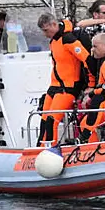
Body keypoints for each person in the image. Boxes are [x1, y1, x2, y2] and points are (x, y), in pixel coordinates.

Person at [37, 14, 92, 144]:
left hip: (68, 87)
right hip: (55, 85)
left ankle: (51, 151)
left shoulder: (68, 39)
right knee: (44, 120)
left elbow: (86, 59)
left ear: (54, 25)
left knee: (52, 120)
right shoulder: (54, 41)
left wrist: (91, 84)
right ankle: (40, 148)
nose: (45, 34)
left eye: (46, 30)